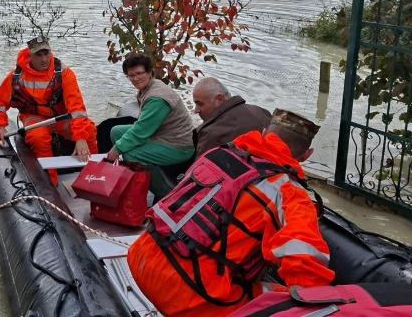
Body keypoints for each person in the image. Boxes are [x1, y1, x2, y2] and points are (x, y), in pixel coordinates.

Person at [127, 109, 334, 317]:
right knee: (284, 297)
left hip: (141, 257)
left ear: (263, 132)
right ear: (307, 155)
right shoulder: (290, 193)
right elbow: (307, 275)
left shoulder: (217, 153)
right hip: (191, 298)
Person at [0, 36, 98, 186]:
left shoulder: (64, 73)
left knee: (89, 131)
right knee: (38, 137)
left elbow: (77, 108)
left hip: (60, 117)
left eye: (46, 53)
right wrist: (0, 126)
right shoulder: (16, 76)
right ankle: (50, 184)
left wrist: (80, 137)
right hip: (35, 117)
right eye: (38, 55)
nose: (44, 59)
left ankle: (95, 176)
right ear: (30, 56)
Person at [105, 53, 195, 196]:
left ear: (149, 72)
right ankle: (134, 176)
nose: (135, 78)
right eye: (131, 75)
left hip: (178, 146)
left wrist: (117, 149)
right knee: (116, 131)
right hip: (161, 134)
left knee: (131, 154)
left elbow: (141, 131)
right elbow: (142, 127)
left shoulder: (157, 98)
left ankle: (167, 194)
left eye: (139, 73)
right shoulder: (148, 88)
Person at [192, 77, 271, 156]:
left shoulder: (210, 134)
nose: (196, 110)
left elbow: (200, 163)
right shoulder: (262, 112)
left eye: (199, 104)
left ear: (220, 99)